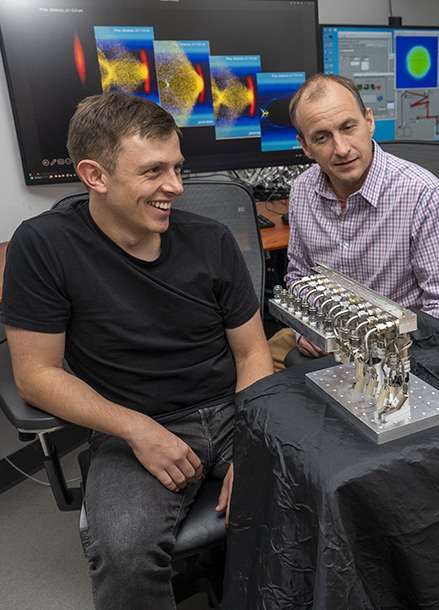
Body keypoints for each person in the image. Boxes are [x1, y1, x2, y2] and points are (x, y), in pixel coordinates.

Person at [1, 91, 274, 609]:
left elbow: (252, 355)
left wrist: (256, 443)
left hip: (235, 411)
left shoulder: (212, 239)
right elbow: (36, 374)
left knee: (317, 499)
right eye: (153, 172)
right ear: (95, 176)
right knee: (125, 556)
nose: (174, 186)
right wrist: (136, 428)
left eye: (177, 168)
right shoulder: (43, 246)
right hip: (132, 424)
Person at [267, 73, 439, 369]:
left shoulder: (422, 193)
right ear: (306, 147)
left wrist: (393, 359)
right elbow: (299, 278)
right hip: (327, 345)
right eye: (322, 137)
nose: (342, 148)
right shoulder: (302, 190)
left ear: (369, 122)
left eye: (349, 128)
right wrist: (304, 331)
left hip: (398, 353)